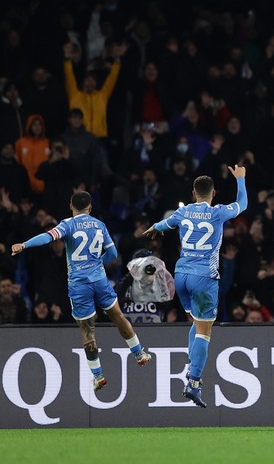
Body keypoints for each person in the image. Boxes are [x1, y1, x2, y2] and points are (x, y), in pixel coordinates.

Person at [12, 191, 153, 390]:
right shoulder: (99, 224)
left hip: (79, 285)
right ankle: (139, 353)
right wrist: (97, 265)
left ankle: (98, 375)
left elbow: (47, 237)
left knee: (88, 331)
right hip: (100, 280)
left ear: (71, 206)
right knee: (117, 315)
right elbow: (112, 253)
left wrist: (24, 244)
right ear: (90, 208)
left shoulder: (67, 224)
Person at [141, 165, 248, 407]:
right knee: (205, 331)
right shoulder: (218, 212)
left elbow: (164, 224)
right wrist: (240, 180)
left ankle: (191, 369)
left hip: (180, 275)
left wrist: (153, 228)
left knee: (197, 323)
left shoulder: (184, 212)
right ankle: (194, 382)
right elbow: (243, 203)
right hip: (204, 277)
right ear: (214, 193)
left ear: (193, 193)